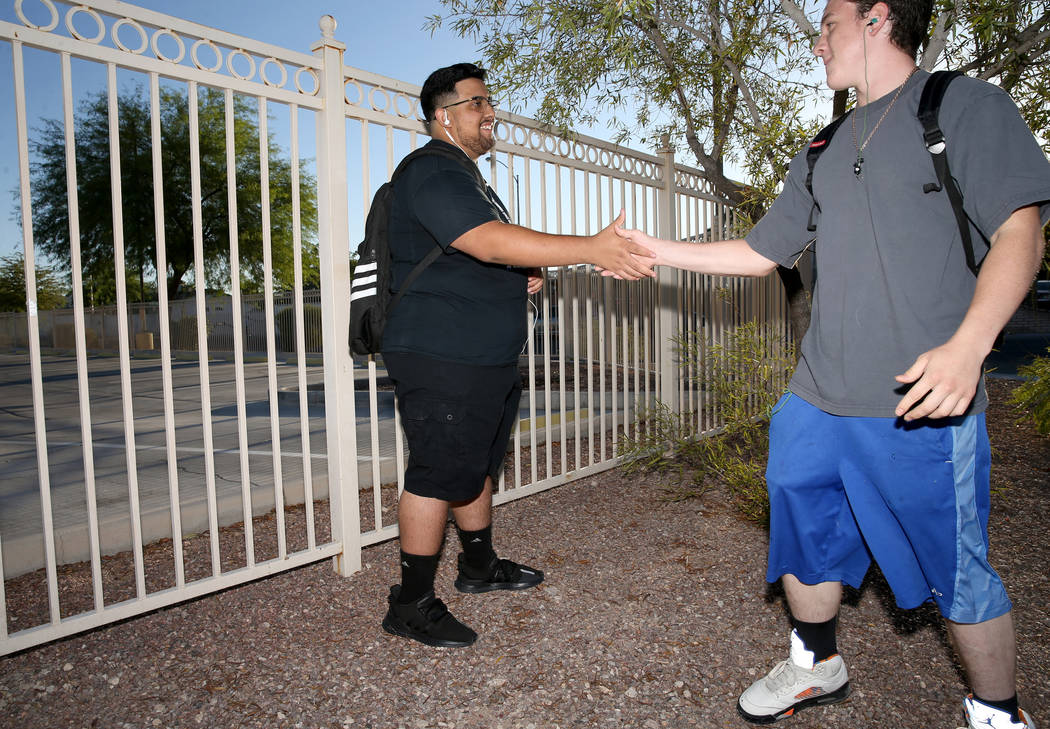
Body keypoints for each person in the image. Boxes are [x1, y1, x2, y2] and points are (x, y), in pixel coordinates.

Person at [615, 0, 1050, 725]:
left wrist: (969, 346)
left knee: (959, 572)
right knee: (802, 535)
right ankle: (816, 663)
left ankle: (998, 712)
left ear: (877, 17)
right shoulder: (821, 146)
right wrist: (651, 251)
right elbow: (760, 252)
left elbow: (1020, 231)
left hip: (920, 402)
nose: (817, 44)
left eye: (827, 26)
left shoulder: (962, 107)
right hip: (815, 398)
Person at [379, 62, 655, 648]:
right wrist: (590, 247)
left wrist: (526, 271)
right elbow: (483, 240)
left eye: (488, 102)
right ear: (441, 116)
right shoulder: (430, 170)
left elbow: (492, 252)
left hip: (481, 354)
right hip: (441, 352)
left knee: (474, 462)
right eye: (476, 103)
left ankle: (478, 567)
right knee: (436, 472)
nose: (489, 113)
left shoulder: (468, 179)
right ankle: (410, 603)